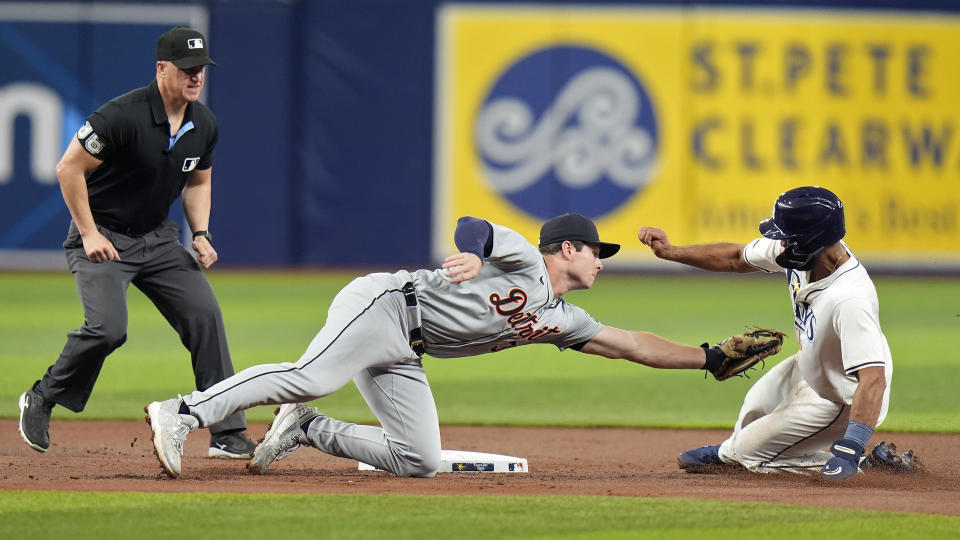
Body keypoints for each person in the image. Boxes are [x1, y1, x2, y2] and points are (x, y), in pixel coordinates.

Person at [147, 213, 750, 478]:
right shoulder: (523, 260)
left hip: (408, 348)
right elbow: (474, 228)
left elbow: (633, 345)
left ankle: (306, 430)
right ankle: (181, 413)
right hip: (384, 304)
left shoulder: (561, 317)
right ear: (568, 249)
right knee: (310, 373)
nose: (602, 261)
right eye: (598, 251)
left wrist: (710, 357)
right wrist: (473, 254)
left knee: (419, 460)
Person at [17, 26, 256, 459]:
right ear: (162, 69)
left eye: (200, 68)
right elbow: (68, 168)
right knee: (108, 329)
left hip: (158, 240)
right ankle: (42, 396)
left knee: (205, 316)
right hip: (103, 235)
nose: (195, 76)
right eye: (186, 68)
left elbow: (198, 181)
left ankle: (225, 430)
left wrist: (200, 233)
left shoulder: (204, 124)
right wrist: (88, 233)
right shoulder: (121, 116)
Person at [638, 186, 921, 479]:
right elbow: (736, 257)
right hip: (809, 368)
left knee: (752, 458)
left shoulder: (850, 299)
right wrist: (671, 252)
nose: (780, 243)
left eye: (787, 237)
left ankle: (870, 467)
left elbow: (873, 378)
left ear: (811, 240)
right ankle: (734, 452)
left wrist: (851, 446)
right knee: (753, 411)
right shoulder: (805, 253)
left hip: (844, 397)